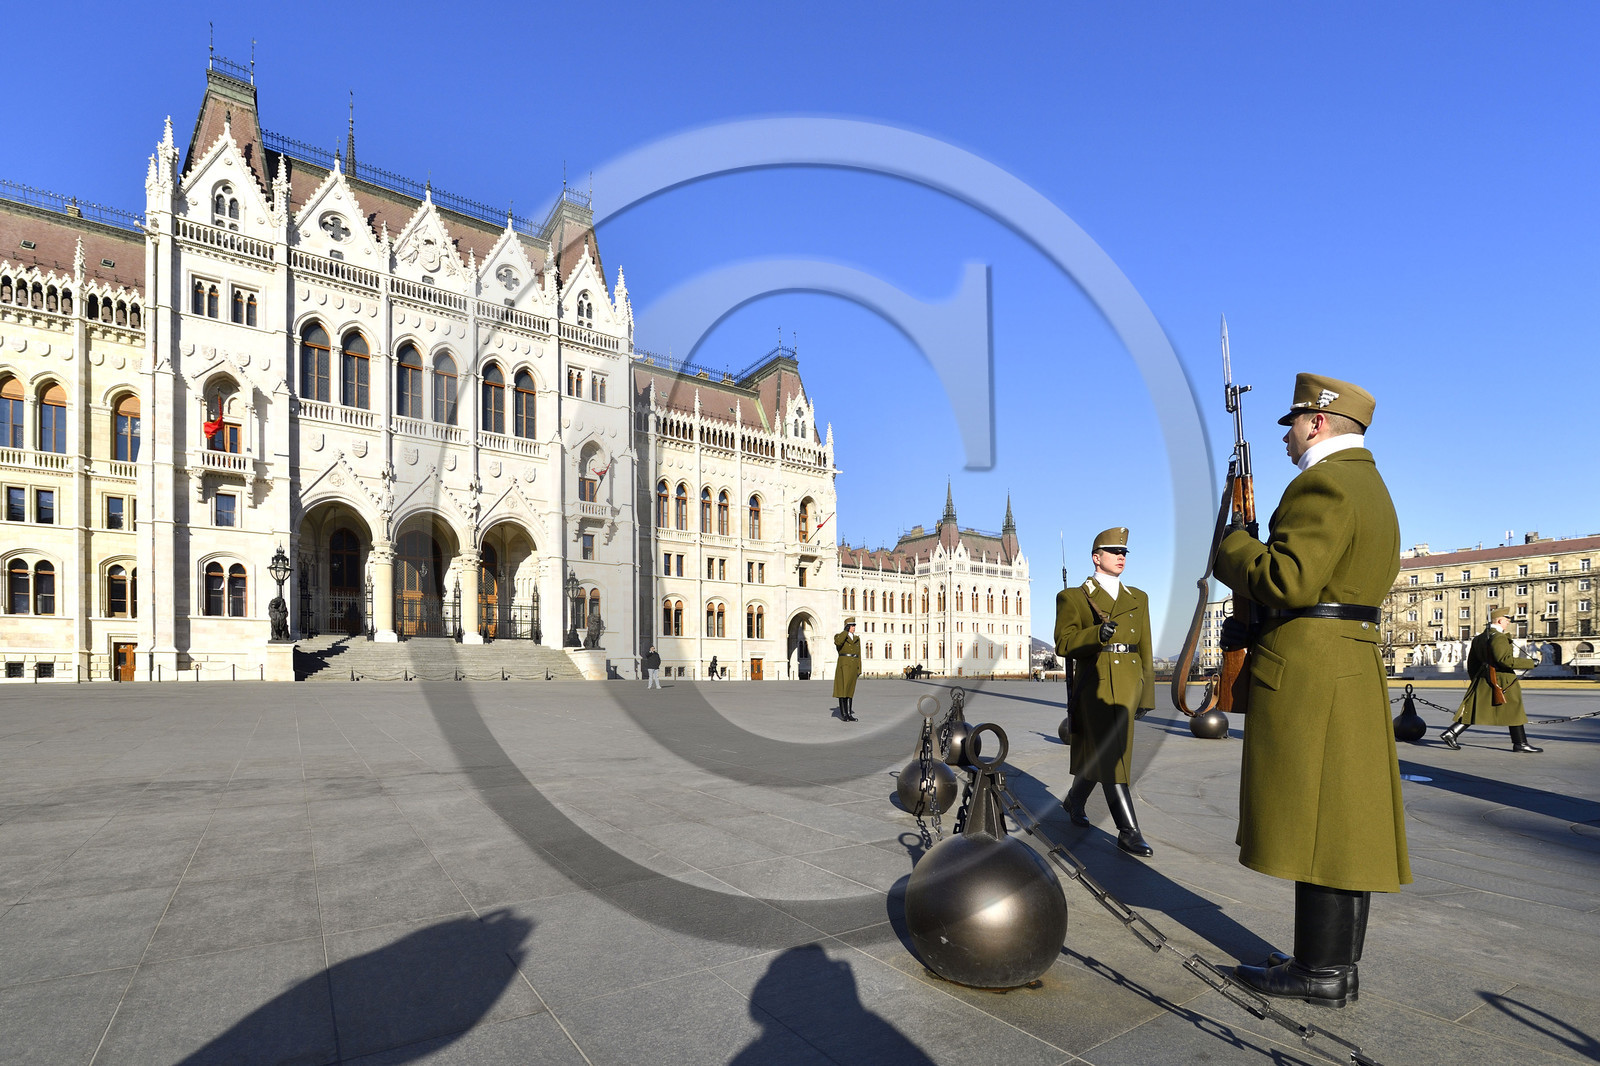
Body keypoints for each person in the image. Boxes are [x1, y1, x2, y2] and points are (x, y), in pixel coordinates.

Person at [1214, 372, 1409, 1010]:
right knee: (1344, 823)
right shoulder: (1371, 485)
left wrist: (1235, 548)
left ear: (1317, 422)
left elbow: (1289, 578)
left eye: (1293, 424)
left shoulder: (1323, 482)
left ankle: (1318, 974)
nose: (1288, 438)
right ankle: (1331, 966)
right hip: (1348, 663)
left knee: (1318, 822)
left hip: (1311, 670)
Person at [1055, 527, 1156, 856]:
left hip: (1128, 684)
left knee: (1107, 753)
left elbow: (1145, 649)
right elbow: (1063, 643)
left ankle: (1074, 799)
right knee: (1114, 757)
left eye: (1125, 552)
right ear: (1097, 558)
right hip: (1095, 683)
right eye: (1114, 552)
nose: (1121, 557)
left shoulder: (1139, 597)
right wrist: (1096, 634)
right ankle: (1128, 830)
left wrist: (1147, 693)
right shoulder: (1073, 597)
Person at [1440, 606, 1541, 752]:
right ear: (1500, 620)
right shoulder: (1499, 637)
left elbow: (1472, 663)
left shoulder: (1479, 638)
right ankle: (1520, 743)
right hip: (1502, 679)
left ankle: (1451, 733)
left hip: (1484, 678)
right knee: (1514, 709)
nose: (1508, 622)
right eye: (1507, 620)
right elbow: (1504, 660)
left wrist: (1477, 679)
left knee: (1476, 708)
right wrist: (1531, 663)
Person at [834, 618, 861, 721]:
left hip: (853, 665)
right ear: (847, 627)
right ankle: (843, 714)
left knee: (850, 690)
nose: (854, 627)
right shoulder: (840, 636)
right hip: (844, 665)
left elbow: (859, 655)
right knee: (843, 690)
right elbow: (838, 643)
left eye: (854, 626)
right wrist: (845, 632)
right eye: (852, 626)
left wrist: (859, 669)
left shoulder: (857, 638)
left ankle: (849, 714)